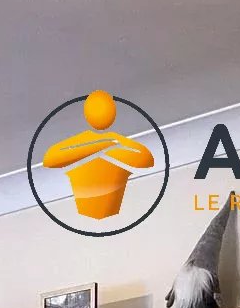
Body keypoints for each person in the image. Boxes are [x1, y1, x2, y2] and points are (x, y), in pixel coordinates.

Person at [42, 90, 155, 221]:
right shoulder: (93, 139)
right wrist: (102, 144)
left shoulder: (115, 139)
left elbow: (146, 159)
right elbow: (49, 158)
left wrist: (109, 145)